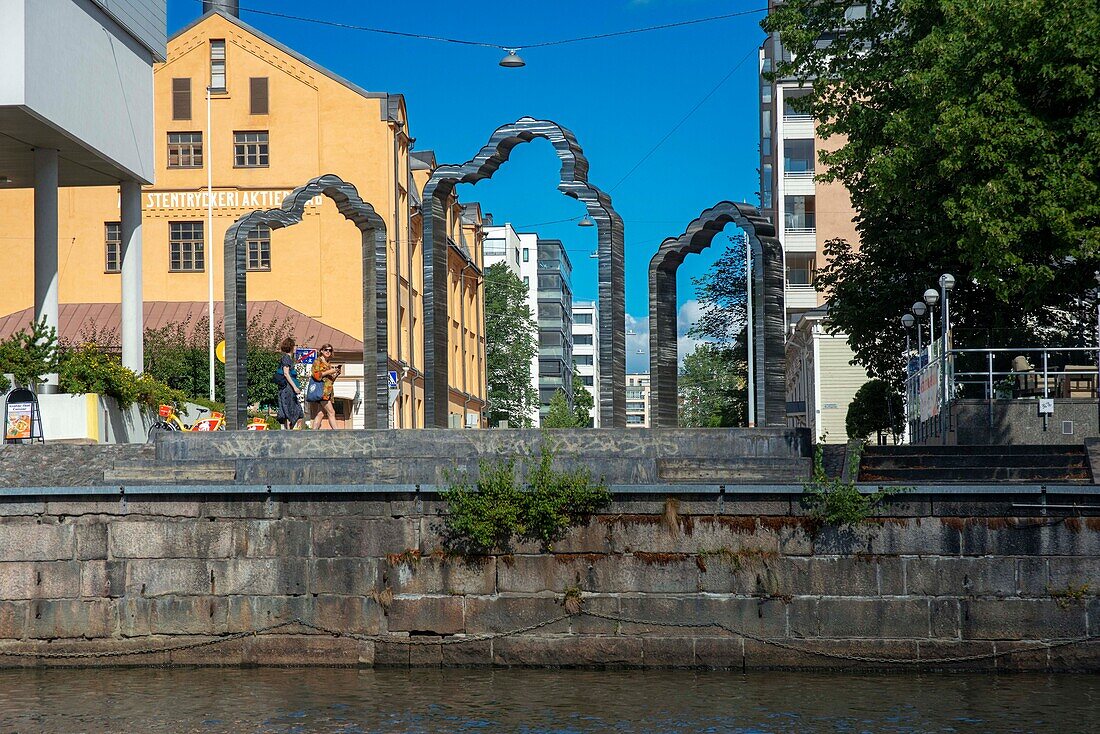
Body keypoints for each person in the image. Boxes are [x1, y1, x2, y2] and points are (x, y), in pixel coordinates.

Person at [310, 343, 342, 430]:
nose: (328, 352)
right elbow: (316, 375)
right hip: (322, 391)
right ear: (321, 351)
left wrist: (336, 374)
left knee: (321, 413)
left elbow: (330, 380)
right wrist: (330, 371)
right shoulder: (318, 361)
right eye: (326, 350)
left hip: (327, 391)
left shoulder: (328, 363)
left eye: (330, 350)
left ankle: (313, 433)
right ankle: (337, 433)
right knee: (331, 412)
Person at [275, 337, 304, 430]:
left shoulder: (288, 359)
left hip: (289, 389)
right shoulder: (286, 358)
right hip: (287, 389)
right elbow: (286, 373)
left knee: (296, 412)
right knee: (289, 411)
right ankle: (288, 431)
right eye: (295, 346)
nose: (296, 348)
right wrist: (295, 387)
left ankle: (289, 430)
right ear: (291, 346)